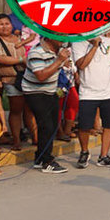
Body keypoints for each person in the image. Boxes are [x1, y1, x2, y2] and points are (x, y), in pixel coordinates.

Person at [72, 36, 110, 168]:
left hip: (108, 92)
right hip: (88, 93)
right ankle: (84, 152)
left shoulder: (109, 41)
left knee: (109, 125)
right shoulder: (78, 42)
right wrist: (94, 46)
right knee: (84, 126)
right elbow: (81, 65)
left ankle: (104, 156)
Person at [21, 37, 72, 173]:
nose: (64, 38)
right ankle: (47, 161)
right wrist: (60, 60)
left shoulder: (59, 50)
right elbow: (41, 76)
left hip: (50, 90)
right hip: (34, 91)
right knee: (46, 125)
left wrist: (64, 61)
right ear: (49, 36)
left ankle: (40, 157)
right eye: (60, 35)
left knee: (53, 124)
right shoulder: (36, 52)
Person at [0, 14, 37, 151]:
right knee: (16, 109)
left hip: (26, 77)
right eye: (1, 24)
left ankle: (35, 137)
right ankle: (16, 140)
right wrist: (21, 60)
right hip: (10, 79)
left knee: (30, 108)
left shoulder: (18, 38)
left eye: (7, 23)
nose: (5, 26)